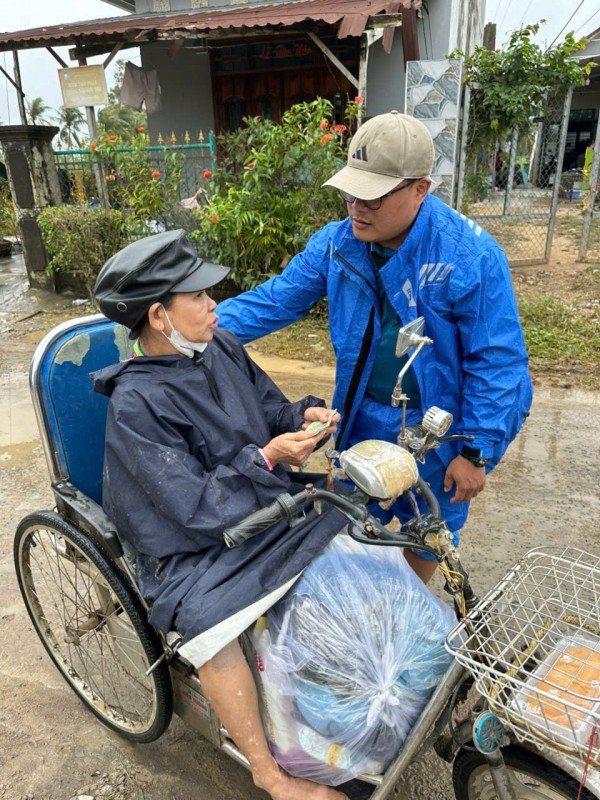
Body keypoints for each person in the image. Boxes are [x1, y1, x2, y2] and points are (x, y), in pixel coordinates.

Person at [217, 111, 533, 584]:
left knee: (427, 530)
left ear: (420, 189)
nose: (355, 206)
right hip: (363, 412)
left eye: (372, 195)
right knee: (345, 518)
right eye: (350, 191)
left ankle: (408, 612)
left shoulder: (469, 257)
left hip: (441, 427)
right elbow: (276, 300)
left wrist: (477, 451)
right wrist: (196, 328)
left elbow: (498, 361)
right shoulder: (338, 244)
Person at [92, 229, 349, 800]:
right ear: (160, 317)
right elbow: (191, 506)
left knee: (351, 529)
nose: (215, 305)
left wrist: (304, 416)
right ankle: (268, 773)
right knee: (214, 631)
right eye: (200, 297)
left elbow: (270, 409)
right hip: (188, 544)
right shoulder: (137, 402)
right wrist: (265, 457)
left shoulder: (222, 346)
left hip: (257, 506)